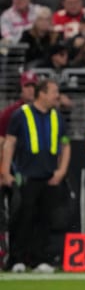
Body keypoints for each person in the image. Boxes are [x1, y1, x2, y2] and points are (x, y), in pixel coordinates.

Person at [0, 79, 71, 273]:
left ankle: (40, 259)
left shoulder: (57, 117)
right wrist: (5, 171)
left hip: (49, 176)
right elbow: (9, 143)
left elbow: (65, 145)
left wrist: (62, 170)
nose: (57, 96)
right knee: (22, 218)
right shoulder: (20, 115)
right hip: (26, 176)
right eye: (54, 92)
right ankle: (16, 259)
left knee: (46, 219)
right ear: (42, 94)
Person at [0, 71, 38, 268]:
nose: (30, 90)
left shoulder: (44, 112)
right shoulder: (10, 113)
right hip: (13, 170)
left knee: (31, 214)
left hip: (33, 171)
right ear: (21, 89)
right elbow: (3, 143)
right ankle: (10, 254)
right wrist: (4, 171)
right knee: (13, 213)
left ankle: (29, 255)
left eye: (33, 86)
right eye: (27, 86)